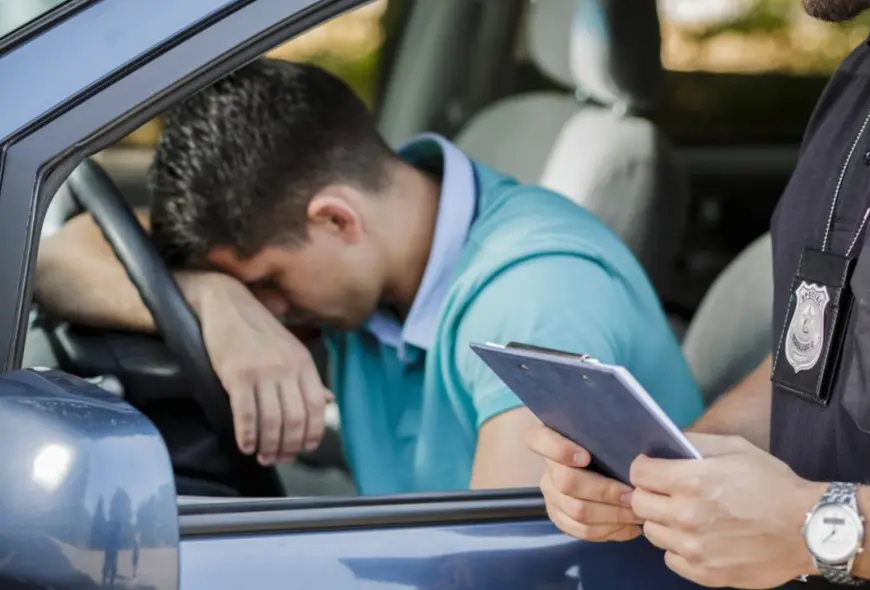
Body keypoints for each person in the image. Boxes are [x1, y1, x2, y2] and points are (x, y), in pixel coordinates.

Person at [34, 58, 704, 496]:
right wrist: (214, 299)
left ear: (337, 220)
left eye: (267, 281)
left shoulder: (534, 297)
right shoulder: (372, 257)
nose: (267, 309)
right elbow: (58, 261)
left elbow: (500, 566)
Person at [527, 0, 870, 588]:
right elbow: (829, 353)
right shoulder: (866, 77)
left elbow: (802, 524)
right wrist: (660, 470)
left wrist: (815, 528)